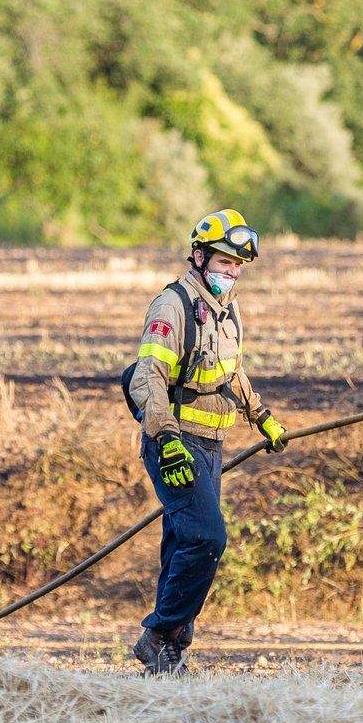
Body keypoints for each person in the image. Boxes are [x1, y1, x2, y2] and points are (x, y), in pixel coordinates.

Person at [123, 209, 288, 675]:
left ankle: (170, 652)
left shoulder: (227, 310)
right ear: (198, 257)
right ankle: (158, 634)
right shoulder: (172, 306)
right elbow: (147, 379)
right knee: (207, 537)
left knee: (181, 543)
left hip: (212, 442)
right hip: (174, 441)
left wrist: (262, 416)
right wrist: (167, 440)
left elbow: (231, 372)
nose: (231, 273)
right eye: (223, 262)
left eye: (238, 266)